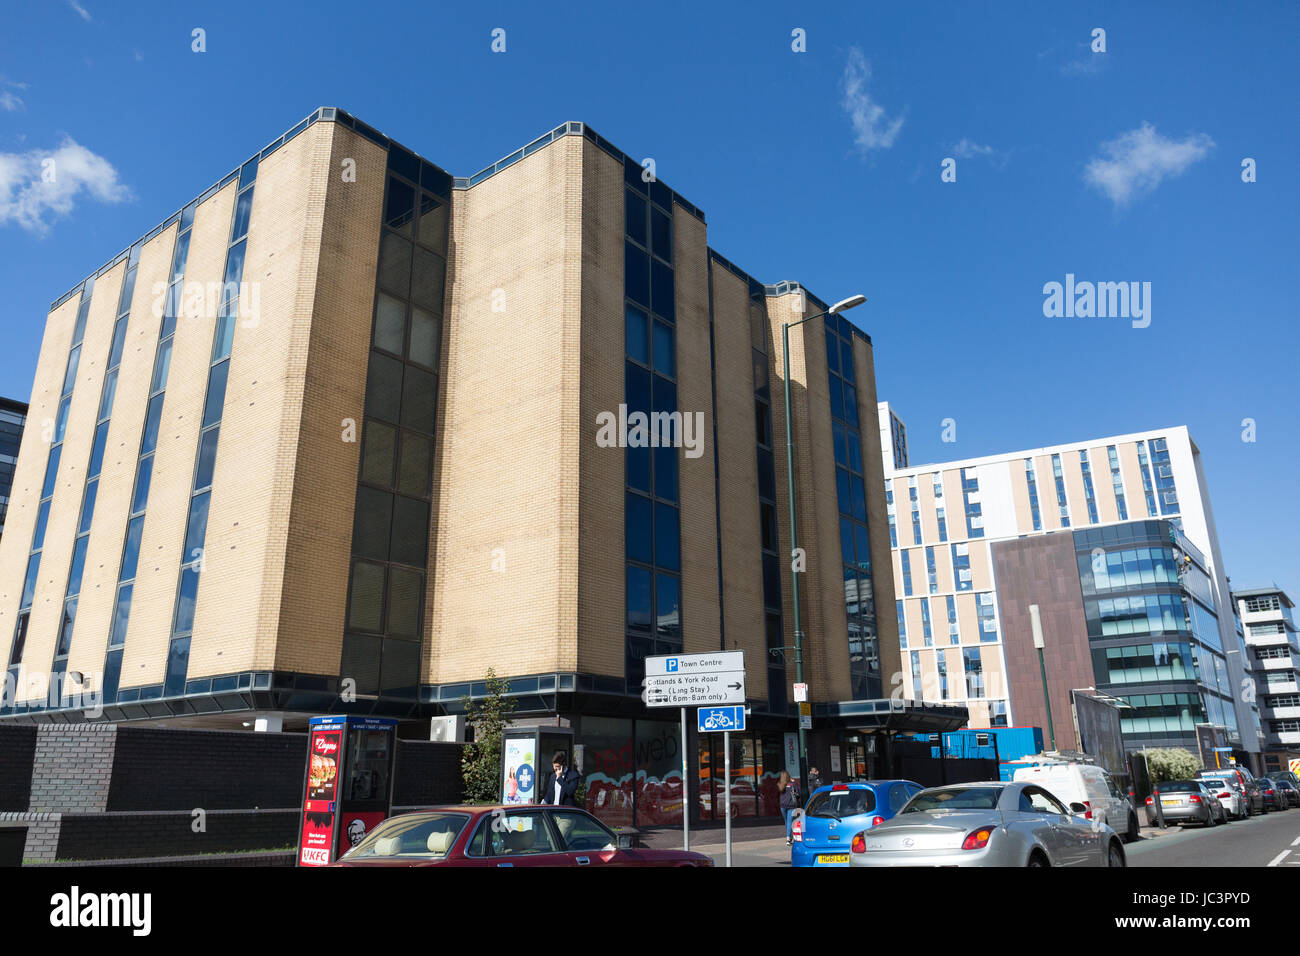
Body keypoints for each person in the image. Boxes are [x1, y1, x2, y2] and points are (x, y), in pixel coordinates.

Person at [778, 771, 800, 845]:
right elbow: (798, 793)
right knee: (789, 822)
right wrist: (794, 782)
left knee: (786, 821)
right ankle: (788, 838)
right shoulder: (792, 784)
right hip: (791, 805)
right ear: (788, 776)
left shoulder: (780, 784)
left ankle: (789, 837)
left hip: (782, 806)